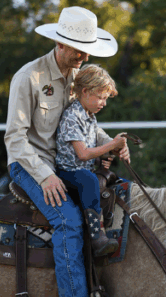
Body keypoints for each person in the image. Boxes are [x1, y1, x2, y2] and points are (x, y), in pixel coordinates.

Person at [4, 6, 125, 297]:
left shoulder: (79, 77)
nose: (83, 55)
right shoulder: (28, 77)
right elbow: (14, 137)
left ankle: (106, 296)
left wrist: (113, 145)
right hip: (30, 164)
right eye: (76, 48)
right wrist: (45, 176)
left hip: (67, 164)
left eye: (87, 49)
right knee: (68, 220)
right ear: (59, 42)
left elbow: (87, 126)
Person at [55, 64, 130, 258]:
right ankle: (97, 237)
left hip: (84, 169)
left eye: (106, 98)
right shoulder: (72, 116)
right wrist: (111, 144)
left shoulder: (89, 116)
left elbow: (96, 144)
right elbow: (82, 154)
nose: (104, 103)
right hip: (68, 172)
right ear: (85, 91)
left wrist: (109, 153)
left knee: (115, 180)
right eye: (101, 97)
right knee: (88, 180)